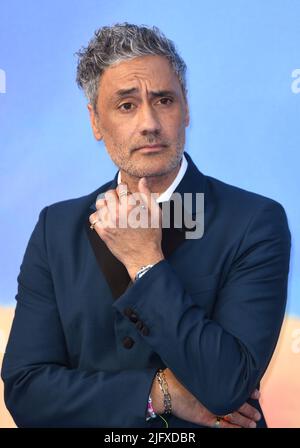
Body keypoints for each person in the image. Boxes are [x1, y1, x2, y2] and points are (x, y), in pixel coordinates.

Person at [2, 23, 291, 428]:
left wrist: (146, 263)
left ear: (186, 108)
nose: (150, 123)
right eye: (126, 106)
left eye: (164, 100)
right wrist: (160, 393)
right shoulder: (57, 228)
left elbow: (227, 386)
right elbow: (26, 389)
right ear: (95, 123)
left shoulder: (254, 221)